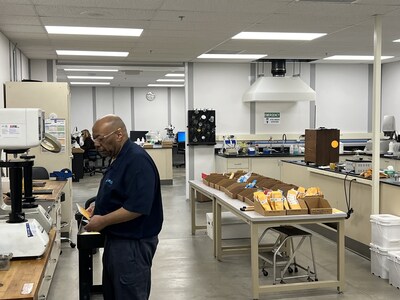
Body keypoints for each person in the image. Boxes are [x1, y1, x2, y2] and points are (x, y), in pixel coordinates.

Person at [84, 115, 163, 300]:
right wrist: (99, 206)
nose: (96, 144)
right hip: (118, 241)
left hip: (132, 245)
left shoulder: (137, 161)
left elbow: (137, 207)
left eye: (100, 139)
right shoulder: (119, 156)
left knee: (129, 294)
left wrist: (102, 220)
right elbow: (119, 192)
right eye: (94, 139)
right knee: (114, 293)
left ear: (119, 134)